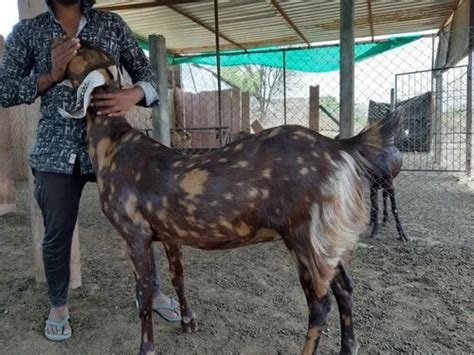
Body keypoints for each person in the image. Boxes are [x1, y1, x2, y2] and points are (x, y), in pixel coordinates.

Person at [0, 0, 180, 342]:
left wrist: (135, 94)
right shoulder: (28, 31)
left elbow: (149, 74)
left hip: (116, 147)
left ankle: (153, 293)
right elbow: (5, 90)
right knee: (56, 233)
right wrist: (51, 75)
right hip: (56, 152)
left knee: (142, 222)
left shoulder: (112, 25)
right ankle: (58, 306)